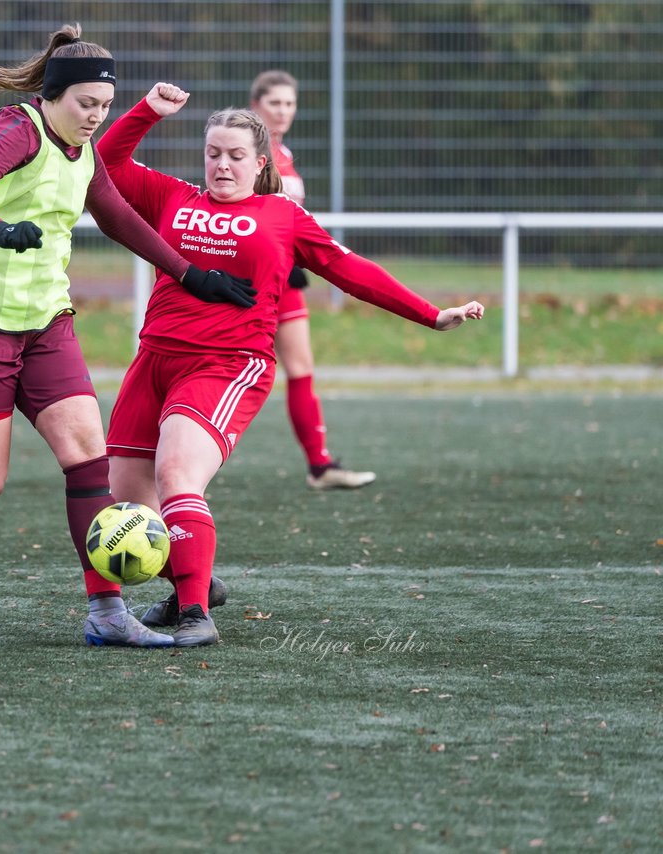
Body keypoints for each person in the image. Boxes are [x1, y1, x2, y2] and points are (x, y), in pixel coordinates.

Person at [0, 25, 256, 648]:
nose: (96, 117)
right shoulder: (17, 129)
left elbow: (117, 214)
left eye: (104, 106)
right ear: (53, 95)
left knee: (88, 458)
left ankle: (106, 612)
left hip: (46, 323)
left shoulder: (81, 150)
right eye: (85, 104)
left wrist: (189, 272)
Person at [96, 82, 483, 646]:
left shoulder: (281, 214)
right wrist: (147, 111)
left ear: (260, 162)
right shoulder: (173, 198)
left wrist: (429, 314)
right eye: (212, 154)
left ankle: (197, 615)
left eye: (234, 156)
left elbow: (351, 270)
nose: (221, 166)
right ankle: (191, 580)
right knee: (130, 504)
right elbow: (104, 165)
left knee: (178, 475)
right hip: (153, 359)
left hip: (227, 365)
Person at [250, 69, 376, 490]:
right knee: (233, 368)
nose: (283, 111)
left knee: (301, 368)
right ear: (257, 106)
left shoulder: (284, 153)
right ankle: (167, 455)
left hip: (287, 277)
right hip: (255, 280)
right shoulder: (249, 152)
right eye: (275, 103)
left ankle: (320, 466)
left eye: (289, 104)